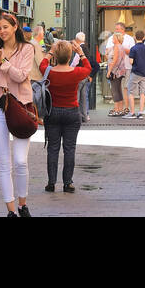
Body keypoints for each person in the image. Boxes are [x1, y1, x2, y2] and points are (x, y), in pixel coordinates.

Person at [0, 12, 35, 218]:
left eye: (5, 27)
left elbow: (20, 76)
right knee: (4, 161)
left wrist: (2, 59)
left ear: (14, 27)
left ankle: (23, 203)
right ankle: (11, 210)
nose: (1, 31)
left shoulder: (27, 48)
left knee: (20, 161)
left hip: (20, 106)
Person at [40, 39, 91, 192]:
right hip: (71, 112)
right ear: (70, 56)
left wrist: (50, 52)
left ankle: (51, 182)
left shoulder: (49, 71)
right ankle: (68, 182)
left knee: (53, 148)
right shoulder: (76, 72)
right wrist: (81, 53)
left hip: (53, 112)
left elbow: (42, 63)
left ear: (56, 55)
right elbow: (88, 67)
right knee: (70, 148)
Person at [106, 28, 132, 116]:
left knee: (115, 90)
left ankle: (117, 110)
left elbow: (115, 61)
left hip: (115, 72)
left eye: (113, 38)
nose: (112, 39)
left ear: (117, 39)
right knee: (118, 90)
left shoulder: (117, 47)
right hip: (120, 71)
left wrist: (109, 71)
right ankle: (120, 109)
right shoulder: (120, 46)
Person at [126, 30, 145, 118]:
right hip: (144, 73)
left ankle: (132, 113)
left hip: (136, 72)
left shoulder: (133, 48)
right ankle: (140, 113)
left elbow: (131, 61)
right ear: (143, 37)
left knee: (130, 92)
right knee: (142, 93)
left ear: (135, 38)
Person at [74, 31, 97, 121]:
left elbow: (75, 62)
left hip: (79, 75)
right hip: (85, 75)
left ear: (77, 39)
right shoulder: (87, 48)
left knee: (77, 96)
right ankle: (84, 116)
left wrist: (70, 68)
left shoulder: (80, 48)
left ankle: (77, 116)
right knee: (84, 97)